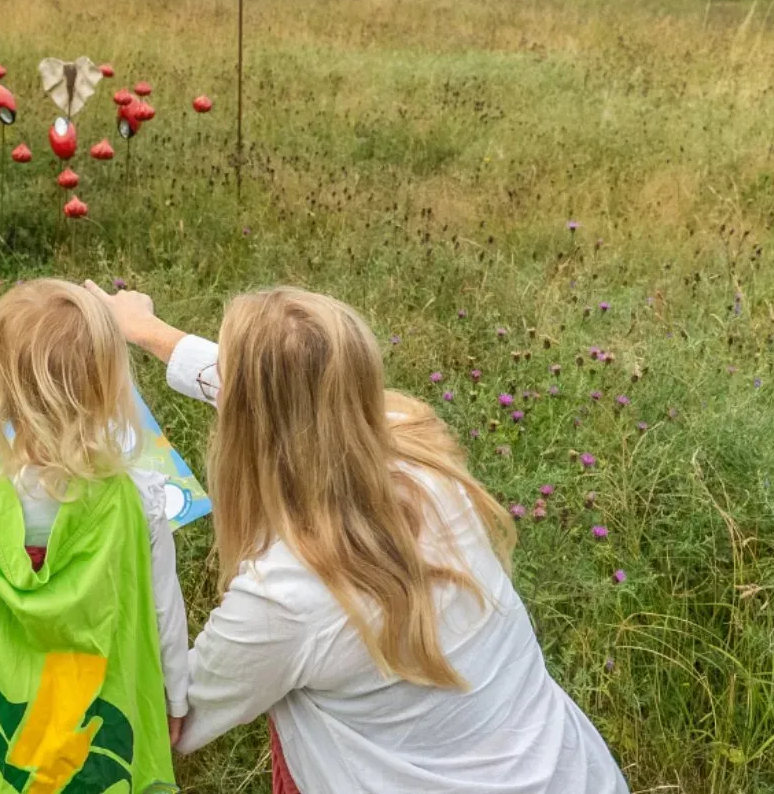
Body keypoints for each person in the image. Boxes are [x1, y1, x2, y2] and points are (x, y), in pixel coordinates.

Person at [89, 282, 631, 794]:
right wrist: (148, 331)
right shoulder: (416, 447)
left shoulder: (284, 598)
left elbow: (172, 715)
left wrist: (106, 572)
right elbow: (294, 396)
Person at [0, 279, 187, 794]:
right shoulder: (141, 500)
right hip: (101, 720)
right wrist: (175, 695)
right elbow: (164, 616)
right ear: (108, 385)